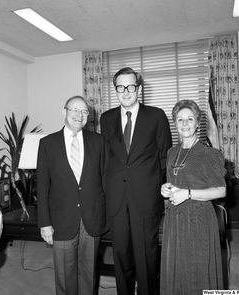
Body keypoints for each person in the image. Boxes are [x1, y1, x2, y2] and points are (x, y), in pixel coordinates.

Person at [100, 67, 172, 295]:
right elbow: (106, 158)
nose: (126, 91)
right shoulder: (106, 118)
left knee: (146, 254)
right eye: (120, 87)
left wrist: (160, 188)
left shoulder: (156, 115)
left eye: (130, 86)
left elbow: (165, 156)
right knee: (120, 253)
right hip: (116, 198)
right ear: (115, 90)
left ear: (138, 88)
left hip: (145, 196)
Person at [37, 95, 108, 295]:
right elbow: (42, 187)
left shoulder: (99, 141)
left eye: (84, 112)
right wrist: (44, 223)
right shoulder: (47, 144)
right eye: (74, 110)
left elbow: (105, 179)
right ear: (64, 112)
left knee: (89, 273)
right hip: (61, 220)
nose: (79, 115)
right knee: (65, 277)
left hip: (92, 218)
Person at [160, 99, 226, 294]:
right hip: (174, 219)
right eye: (180, 120)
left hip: (198, 219)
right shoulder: (172, 152)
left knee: (196, 268)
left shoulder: (209, 154)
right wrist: (166, 188)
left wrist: (188, 194)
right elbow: (174, 181)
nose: (185, 124)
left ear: (198, 122)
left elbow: (221, 191)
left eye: (190, 119)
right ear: (175, 123)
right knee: (177, 266)